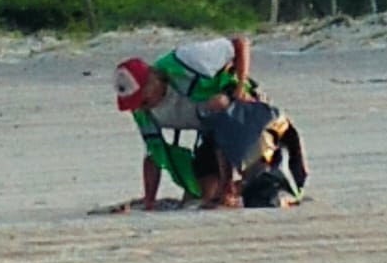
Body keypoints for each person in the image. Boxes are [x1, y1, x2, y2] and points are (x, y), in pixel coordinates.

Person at [114, 35, 307, 210]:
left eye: (143, 99)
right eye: (134, 103)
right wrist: (149, 200)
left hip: (244, 116)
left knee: (260, 187)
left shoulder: (186, 60)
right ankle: (227, 190)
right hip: (209, 131)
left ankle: (241, 183)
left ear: (153, 80)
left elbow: (240, 42)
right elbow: (153, 154)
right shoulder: (141, 109)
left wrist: (240, 87)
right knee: (208, 194)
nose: (140, 107)